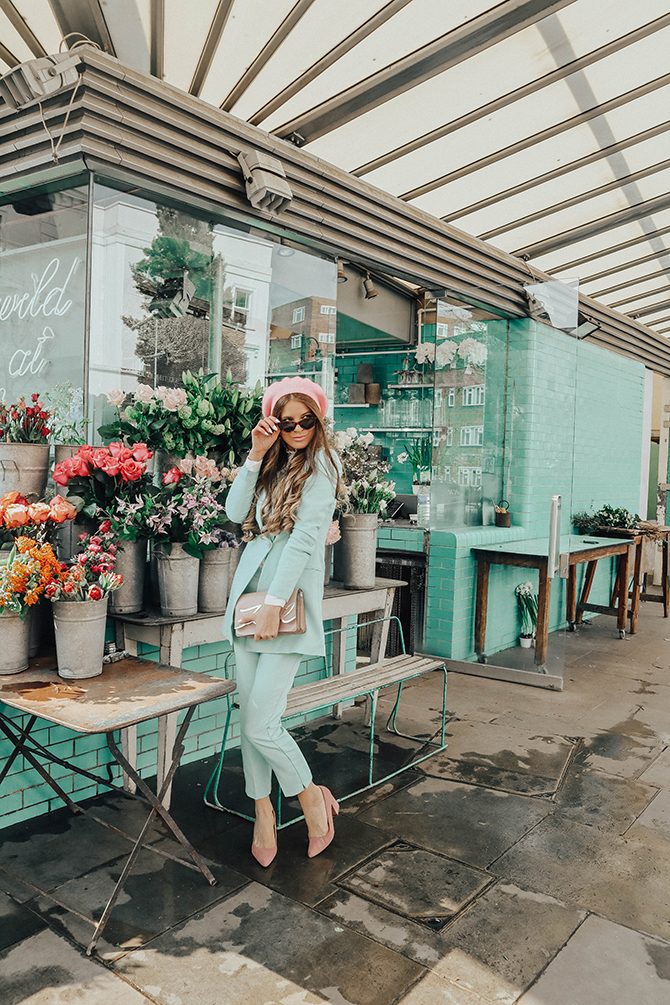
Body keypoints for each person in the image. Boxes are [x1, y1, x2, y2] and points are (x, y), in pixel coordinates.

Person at [222, 376, 346, 866]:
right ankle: (262, 812)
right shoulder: (273, 461)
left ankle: (310, 796)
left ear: (319, 421)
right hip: (248, 598)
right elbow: (234, 511)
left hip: (285, 605)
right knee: (250, 716)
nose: (296, 429)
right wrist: (256, 453)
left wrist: (275, 601)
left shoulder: (323, 463)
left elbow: (305, 538)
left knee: (260, 721)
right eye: (287, 421)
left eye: (305, 420)